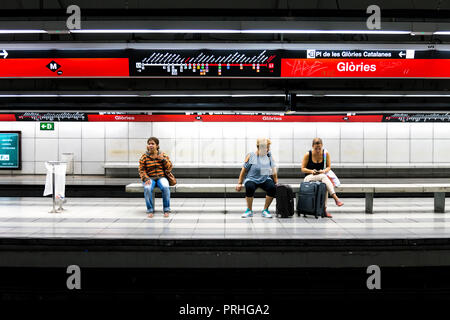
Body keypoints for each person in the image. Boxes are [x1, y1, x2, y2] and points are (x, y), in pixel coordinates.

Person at [301, 138, 344, 218]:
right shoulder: (308, 154)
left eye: (319, 148)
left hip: (321, 176)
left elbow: (328, 167)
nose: (318, 150)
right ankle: (335, 198)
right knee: (324, 178)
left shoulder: (325, 154)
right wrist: (311, 171)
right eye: (316, 148)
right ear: (312, 146)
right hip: (309, 177)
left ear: (322, 146)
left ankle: (324, 209)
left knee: (324, 185)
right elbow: (303, 169)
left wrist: (323, 171)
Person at [236, 138, 278, 218]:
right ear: (260, 147)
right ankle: (249, 210)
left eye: (268, 147)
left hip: (265, 178)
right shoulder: (252, 156)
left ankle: (265, 210)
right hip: (251, 178)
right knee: (249, 187)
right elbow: (243, 170)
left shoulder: (269, 155)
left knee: (272, 187)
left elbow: (274, 170)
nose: (268, 149)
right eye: (267, 147)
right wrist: (239, 183)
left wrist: (276, 182)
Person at [139, 137, 172, 218]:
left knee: (165, 187)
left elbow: (169, 167)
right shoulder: (144, 156)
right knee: (147, 188)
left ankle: (166, 209)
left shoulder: (163, 155)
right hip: (149, 177)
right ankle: (150, 210)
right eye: (149, 144)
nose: (150, 145)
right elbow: (141, 170)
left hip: (161, 177)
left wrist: (163, 160)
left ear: (157, 145)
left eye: (152, 144)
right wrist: (146, 178)